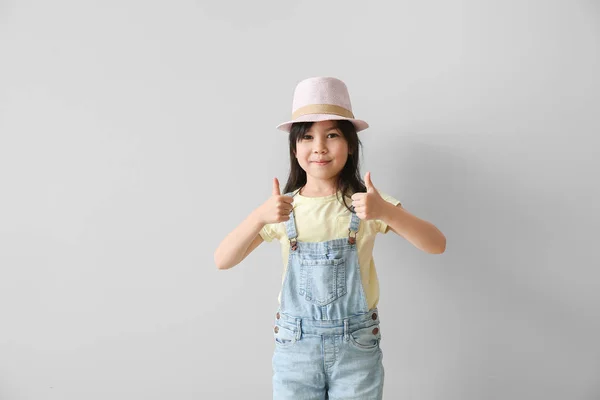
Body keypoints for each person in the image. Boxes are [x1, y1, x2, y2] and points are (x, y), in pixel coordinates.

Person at [214, 76, 446, 399]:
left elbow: (437, 243)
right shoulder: (283, 210)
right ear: (295, 149)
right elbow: (223, 259)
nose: (319, 147)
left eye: (332, 135)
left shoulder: (367, 205)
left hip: (357, 350)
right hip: (296, 351)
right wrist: (259, 217)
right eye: (307, 136)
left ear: (351, 145)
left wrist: (386, 212)